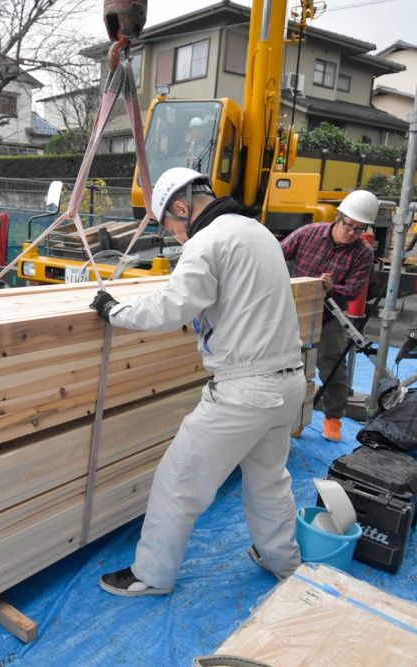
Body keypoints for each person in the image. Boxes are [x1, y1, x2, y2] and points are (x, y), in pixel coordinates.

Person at [90, 167, 306, 596]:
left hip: (245, 390)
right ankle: (283, 560)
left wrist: (116, 312)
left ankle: (151, 575)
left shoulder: (206, 241)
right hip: (289, 383)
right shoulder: (257, 231)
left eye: (169, 225)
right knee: (268, 479)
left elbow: (172, 307)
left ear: (183, 209)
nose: (173, 235)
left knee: (178, 481)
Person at [280, 189, 377, 443]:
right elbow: (278, 254)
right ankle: (293, 417)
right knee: (289, 366)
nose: (352, 232)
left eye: (359, 229)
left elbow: (354, 290)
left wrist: (331, 288)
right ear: (338, 217)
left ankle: (333, 417)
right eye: (349, 225)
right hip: (296, 312)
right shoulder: (308, 234)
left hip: (330, 314)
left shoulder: (363, 253)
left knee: (332, 365)